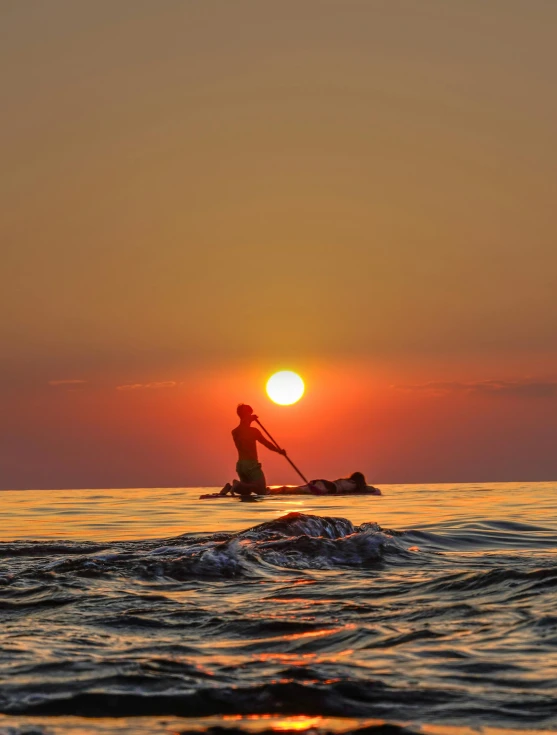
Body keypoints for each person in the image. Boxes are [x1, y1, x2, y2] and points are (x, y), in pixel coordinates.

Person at [220, 404, 286, 497]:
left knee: (246, 491)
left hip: (240, 466)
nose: (251, 415)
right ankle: (237, 484)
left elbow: (243, 428)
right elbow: (267, 444)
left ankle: (230, 487)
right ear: (246, 414)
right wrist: (279, 451)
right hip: (251, 465)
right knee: (262, 491)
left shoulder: (235, 432)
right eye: (249, 413)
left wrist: (249, 419)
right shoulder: (253, 431)